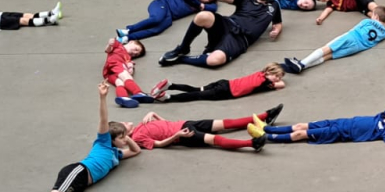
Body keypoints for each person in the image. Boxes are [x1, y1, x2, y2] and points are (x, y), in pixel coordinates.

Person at [7, 84, 140, 192]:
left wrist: (126, 136)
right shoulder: (103, 142)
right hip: (78, 172)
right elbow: (104, 119)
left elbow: (136, 151)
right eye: (121, 138)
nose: (124, 141)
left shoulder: (116, 155)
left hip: (83, 183)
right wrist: (102, 97)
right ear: (111, 138)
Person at [159, 0, 283, 69]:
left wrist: (276, 31)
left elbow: (277, 23)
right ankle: (183, 48)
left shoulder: (275, 5)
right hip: (227, 24)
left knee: (214, 61)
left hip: (240, 39)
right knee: (203, 16)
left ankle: (180, 60)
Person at [281, 7, 385, 74]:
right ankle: (303, 66)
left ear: (375, 16)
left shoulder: (368, 21)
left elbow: (355, 28)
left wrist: (378, 18)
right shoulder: (384, 33)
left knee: (326, 48)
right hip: (357, 48)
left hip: (351, 36)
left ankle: (301, 63)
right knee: (329, 56)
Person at [261, 99, 385, 148]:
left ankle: (267, 137)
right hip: (339, 122)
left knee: (300, 134)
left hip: (339, 133)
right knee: (300, 125)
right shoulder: (382, 116)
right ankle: (267, 129)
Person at [130, 107, 275, 154]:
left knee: (225, 123)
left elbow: (165, 124)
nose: (127, 122)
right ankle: (251, 144)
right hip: (185, 135)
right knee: (215, 140)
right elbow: (159, 144)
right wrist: (177, 135)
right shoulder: (137, 138)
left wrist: (153, 114)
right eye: (125, 124)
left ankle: (265, 116)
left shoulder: (139, 125)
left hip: (185, 123)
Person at [117, 0, 218, 44]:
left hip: (170, 16)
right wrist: (199, 5)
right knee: (157, 19)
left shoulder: (200, 6)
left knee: (157, 29)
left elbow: (214, 8)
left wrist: (202, 6)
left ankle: (126, 38)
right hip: (162, 4)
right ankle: (128, 30)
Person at [163, 63, 287, 104]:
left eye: (278, 77)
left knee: (197, 89)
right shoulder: (264, 82)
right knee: (197, 95)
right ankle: (169, 97)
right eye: (276, 76)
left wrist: (275, 77)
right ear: (268, 72)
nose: (277, 79)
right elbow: (281, 85)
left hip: (225, 83)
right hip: (226, 91)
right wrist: (277, 82)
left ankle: (171, 85)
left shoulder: (259, 74)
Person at [102, 38, 168, 108]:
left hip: (108, 73)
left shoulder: (128, 58)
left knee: (120, 83)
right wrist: (110, 44)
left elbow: (130, 66)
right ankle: (137, 92)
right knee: (127, 77)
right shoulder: (119, 45)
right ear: (131, 42)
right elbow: (108, 50)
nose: (135, 53)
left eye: (136, 55)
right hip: (114, 63)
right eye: (136, 49)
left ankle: (123, 97)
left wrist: (131, 68)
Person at [312, 0, 385, 26]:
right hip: (358, 7)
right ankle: (382, 22)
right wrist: (320, 18)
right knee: (370, 14)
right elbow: (327, 11)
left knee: (373, 7)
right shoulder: (330, 4)